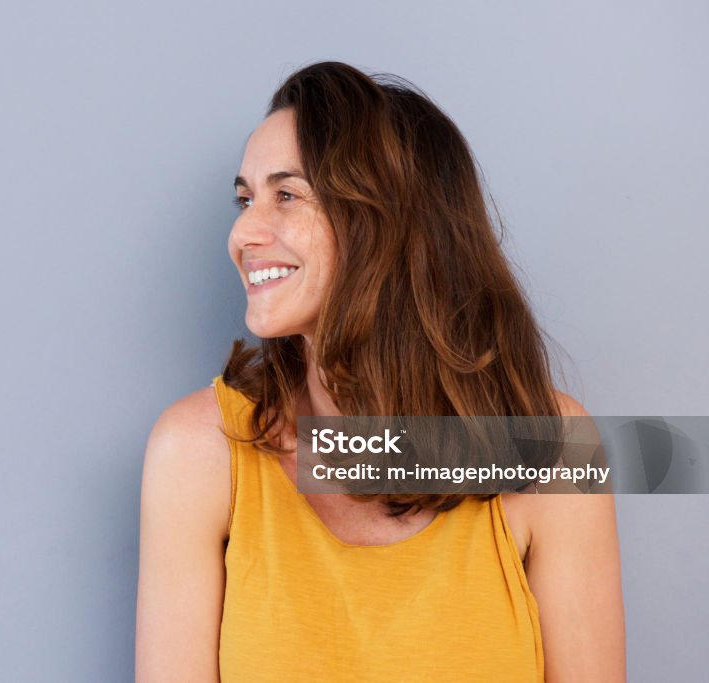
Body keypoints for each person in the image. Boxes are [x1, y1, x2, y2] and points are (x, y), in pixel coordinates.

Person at [135, 61, 625, 682]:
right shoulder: (196, 454)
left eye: (286, 195)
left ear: (389, 222)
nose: (241, 233)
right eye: (245, 198)